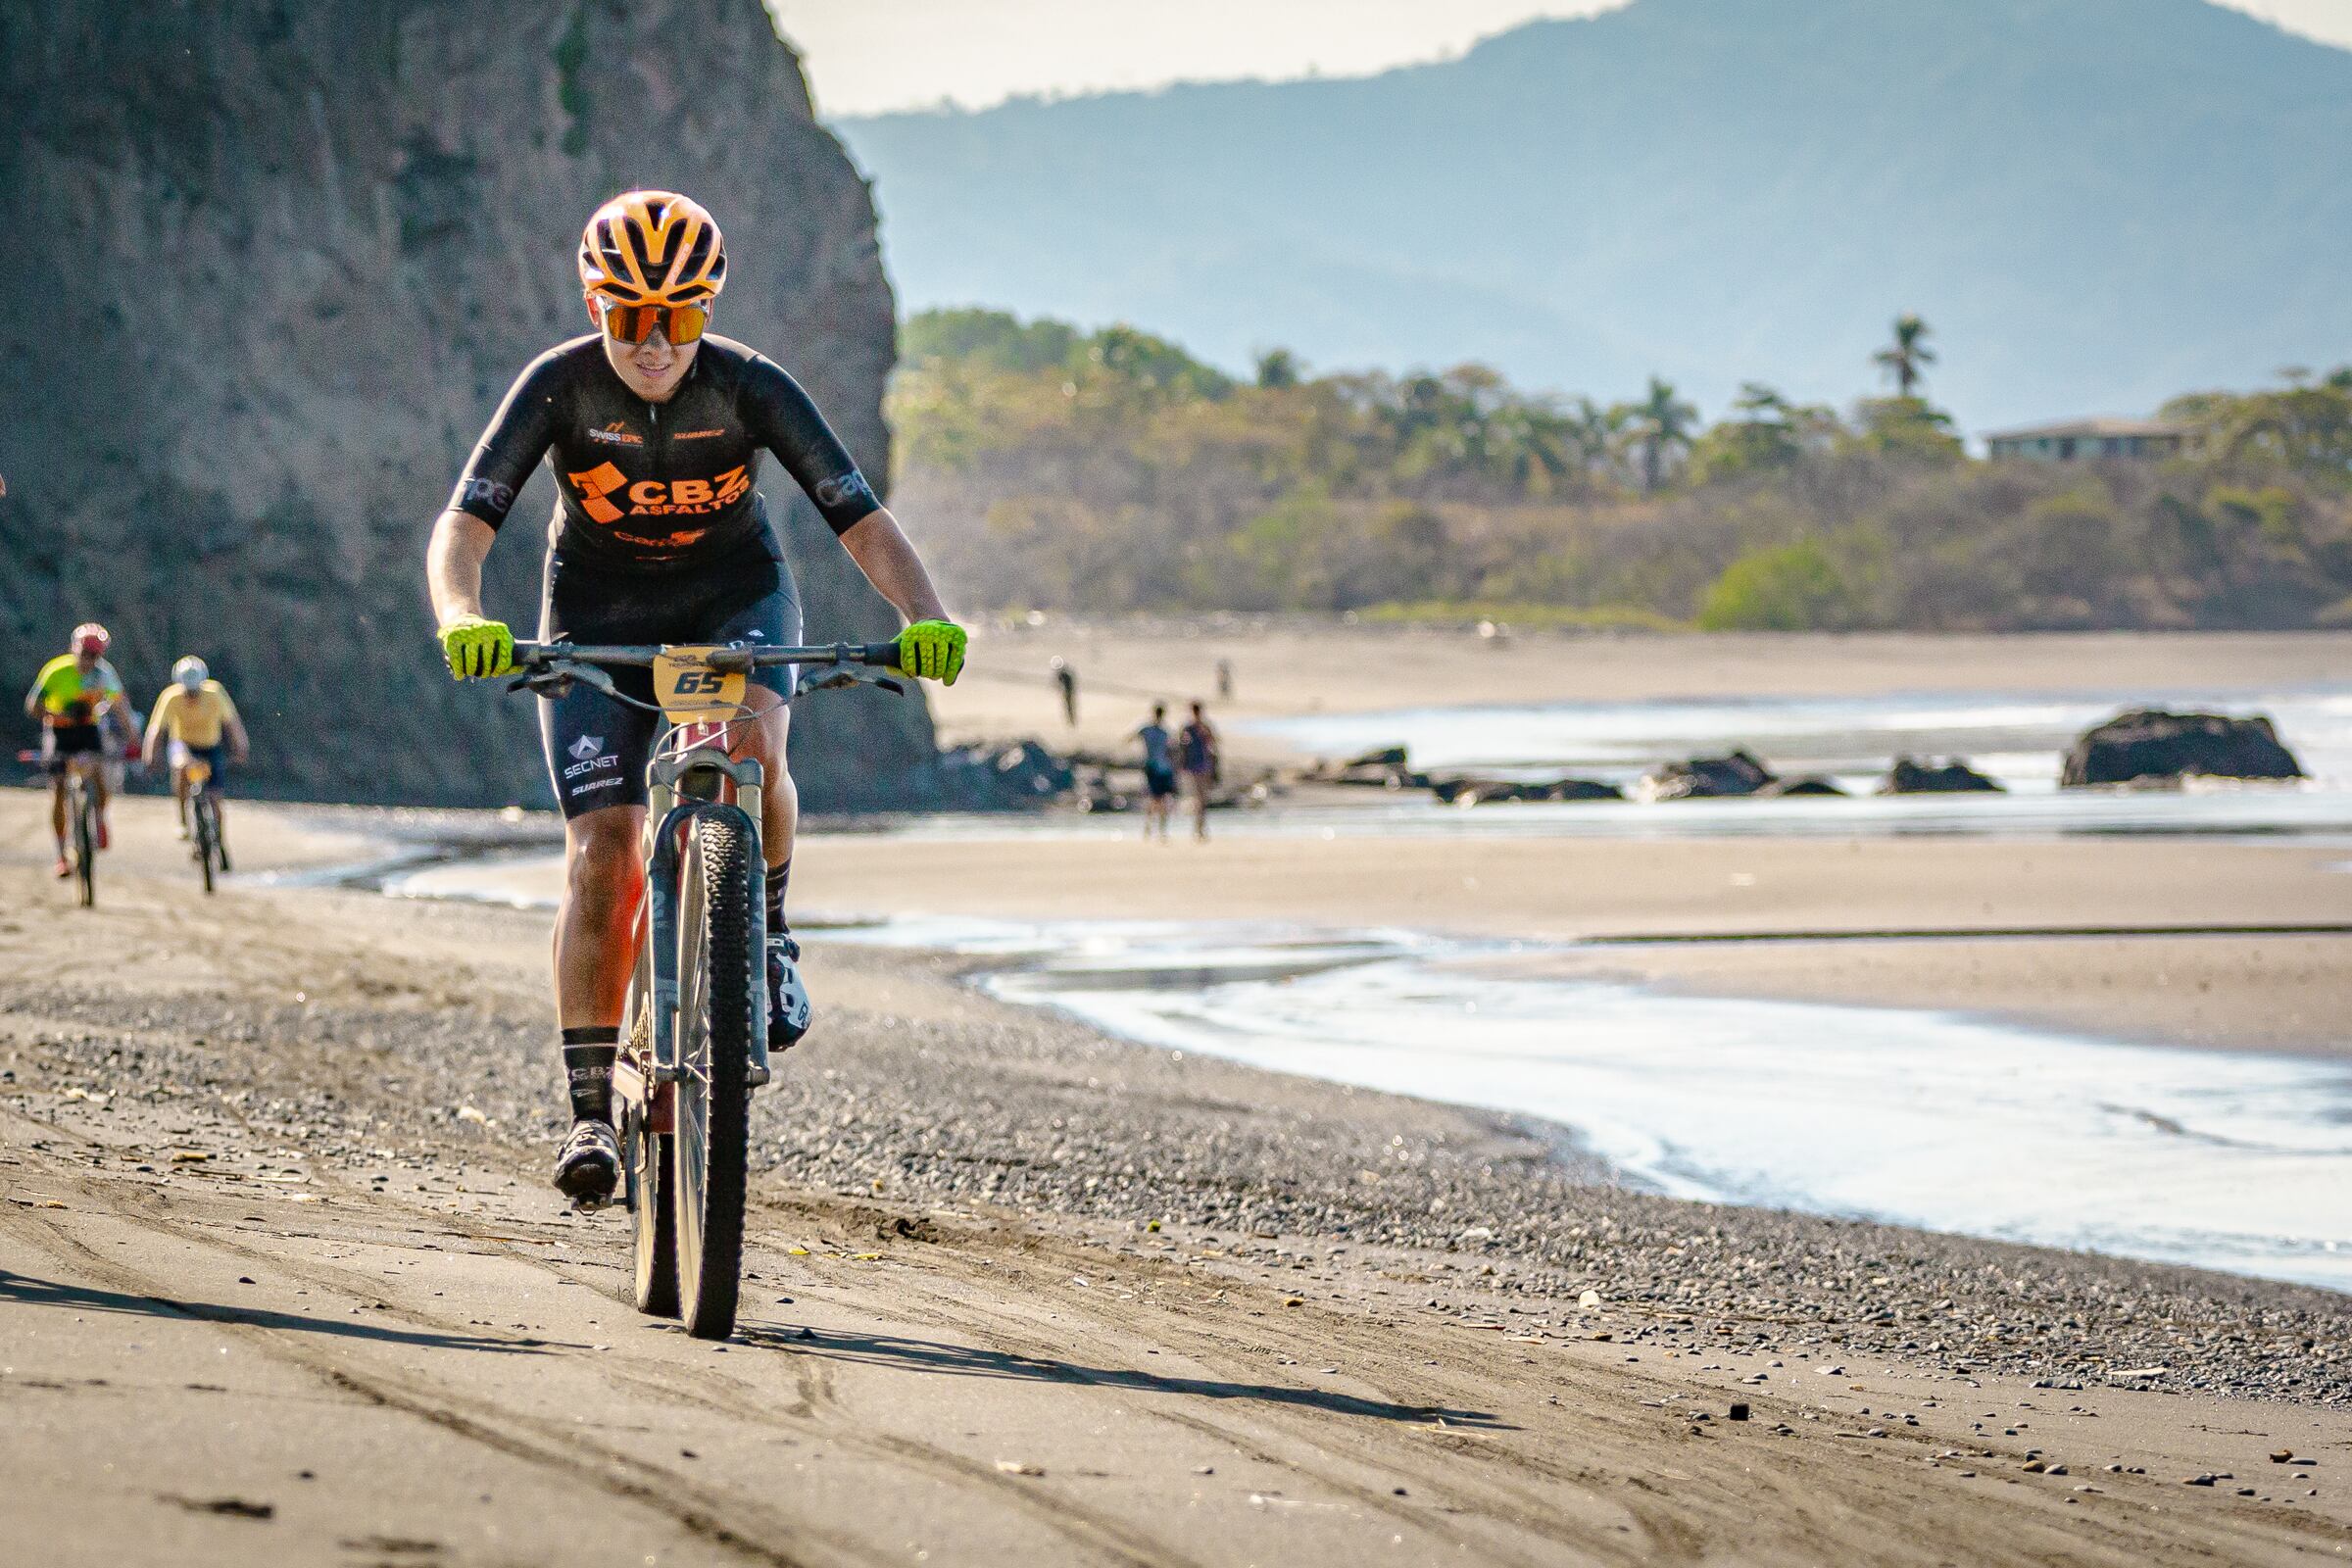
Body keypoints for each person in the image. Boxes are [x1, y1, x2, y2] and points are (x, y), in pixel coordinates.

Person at [424, 190, 966, 1205]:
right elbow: (465, 524)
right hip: (594, 612)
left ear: (704, 311)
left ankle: (766, 934)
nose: (656, 342)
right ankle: (590, 1108)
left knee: (756, 751)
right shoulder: (558, 386)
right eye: (632, 318)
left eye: (678, 318)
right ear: (598, 308)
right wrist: (463, 616)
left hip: (736, 597)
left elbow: (858, 518)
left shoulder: (752, 385)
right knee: (604, 852)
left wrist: (927, 613)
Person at [24, 623, 134, 878]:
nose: (89, 660)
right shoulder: (55, 670)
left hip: (88, 731)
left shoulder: (105, 674)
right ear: (75, 649)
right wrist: (55, 714)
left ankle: (98, 816)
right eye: (85, 654)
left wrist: (133, 739)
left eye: (95, 656)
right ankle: (62, 855)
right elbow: (33, 705)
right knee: (59, 789)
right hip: (60, 731)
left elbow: (120, 707)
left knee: (101, 775)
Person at [143, 657, 251, 852]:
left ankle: (219, 840)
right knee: (180, 766)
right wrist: (150, 755)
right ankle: (184, 819)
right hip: (183, 745)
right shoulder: (170, 697)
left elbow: (232, 723)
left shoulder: (215, 693)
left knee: (215, 797)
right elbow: (156, 730)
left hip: (210, 747)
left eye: (195, 691)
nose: (191, 696)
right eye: (188, 692)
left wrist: (241, 747)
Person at [1178, 700, 1219, 840]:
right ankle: (1198, 827)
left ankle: (1200, 826)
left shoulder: (1205, 727)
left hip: (1204, 765)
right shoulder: (1187, 728)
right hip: (1193, 765)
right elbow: (1181, 746)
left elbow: (1213, 743)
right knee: (1197, 797)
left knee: (1203, 798)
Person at [1135, 703, 1177, 840]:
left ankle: (1155, 828)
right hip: (1157, 768)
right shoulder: (1161, 731)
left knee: (1159, 799)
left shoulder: (1152, 730)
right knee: (1157, 799)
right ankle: (1154, 828)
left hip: (1159, 768)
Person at [1051, 656, 1078, 726]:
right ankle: (1071, 720)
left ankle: (1071, 721)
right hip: (1069, 692)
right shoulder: (1067, 673)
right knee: (1070, 706)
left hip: (1068, 692)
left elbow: (1059, 683)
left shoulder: (1063, 674)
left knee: (1068, 706)